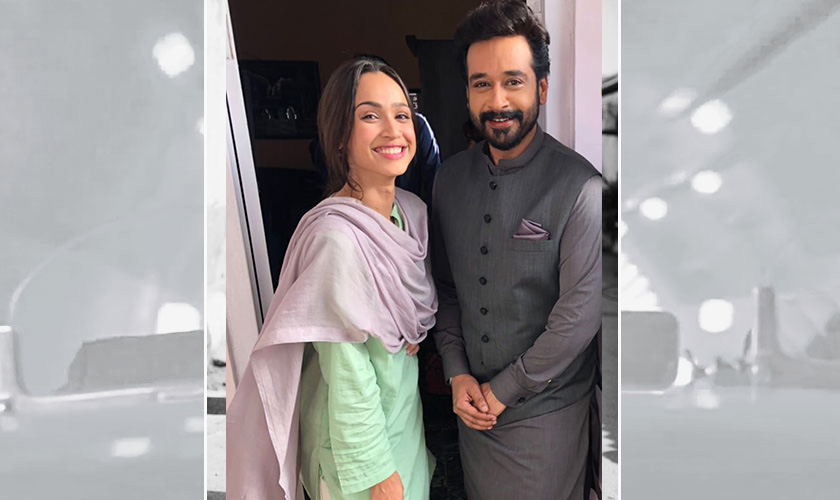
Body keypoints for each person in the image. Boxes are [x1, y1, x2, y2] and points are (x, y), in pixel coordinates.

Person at [227, 57, 438, 500]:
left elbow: (407, 312)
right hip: (356, 446)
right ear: (340, 135)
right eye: (370, 116)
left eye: (402, 115)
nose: (393, 130)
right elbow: (348, 372)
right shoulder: (334, 239)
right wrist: (376, 474)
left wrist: (406, 328)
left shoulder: (413, 214)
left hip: (403, 416)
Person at [431, 1, 602, 499]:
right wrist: (457, 374)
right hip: (471, 411)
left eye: (513, 81)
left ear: (541, 88)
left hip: (546, 418)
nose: (497, 100)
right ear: (467, 93)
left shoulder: (581, 188)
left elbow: (578, 317)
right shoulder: (448, 181)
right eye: (481, 84)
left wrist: (504, 390)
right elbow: (446, 288)